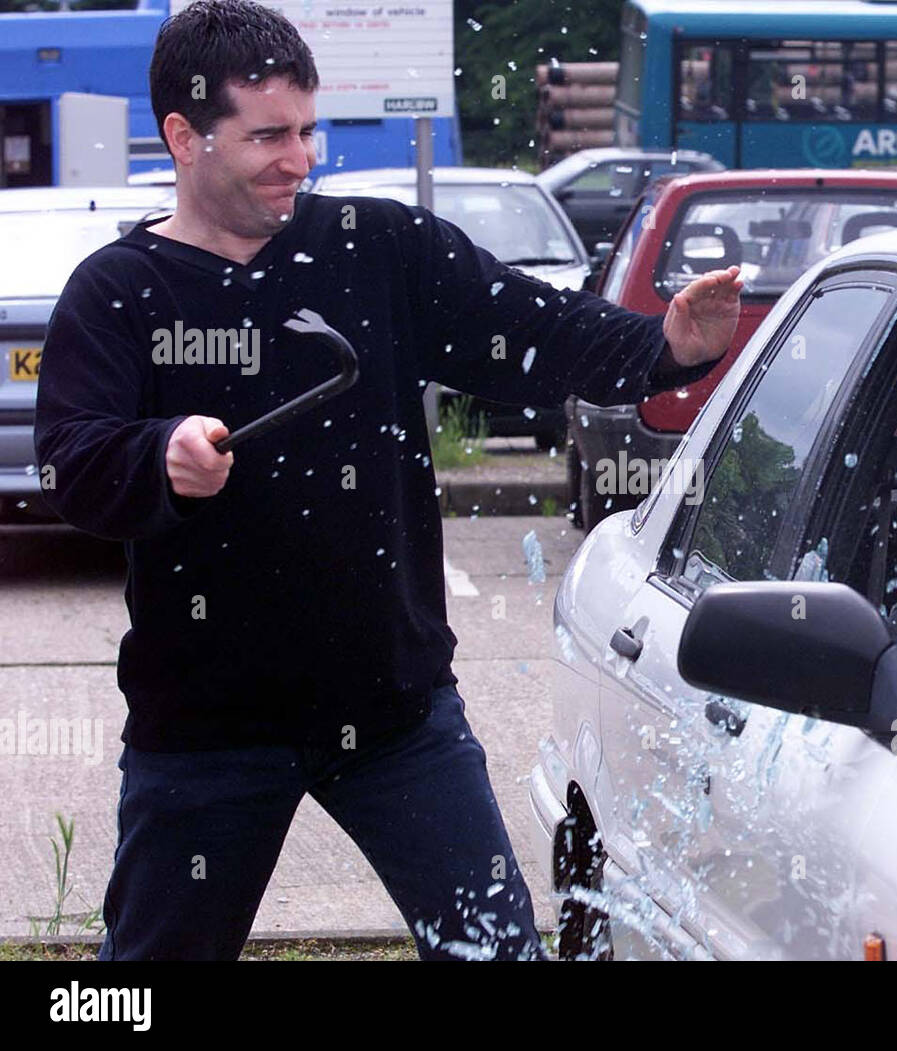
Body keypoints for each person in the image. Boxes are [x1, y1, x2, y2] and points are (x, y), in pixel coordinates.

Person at [33, 0, 740, 961]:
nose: (302, 157)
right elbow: (74, 461)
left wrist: (664, 346)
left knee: (497, 955)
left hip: (395, 710)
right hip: (205, 727)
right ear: (184, 136)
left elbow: (534, 332)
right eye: (269, 135)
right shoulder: (119, 293)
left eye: (308, 128)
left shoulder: (378, 248)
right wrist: (157, 455)